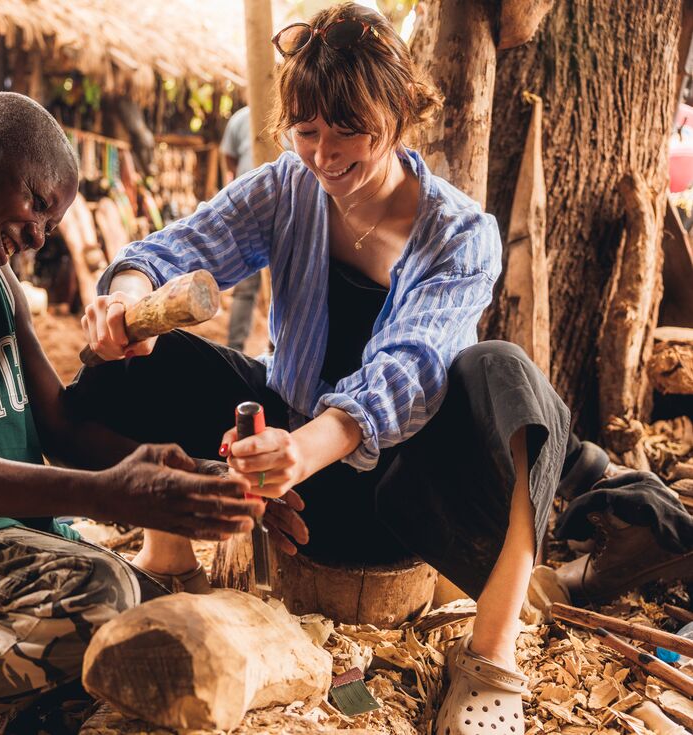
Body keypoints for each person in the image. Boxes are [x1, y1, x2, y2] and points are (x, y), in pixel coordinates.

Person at [67, 5, 605, 732]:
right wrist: (128, 298)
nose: (324, 154)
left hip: (398, 494)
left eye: (350, 128)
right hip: (293, 481)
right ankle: (170, 561)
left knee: (507, 375)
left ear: (400, 111)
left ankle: (491, 655)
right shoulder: (286, 187)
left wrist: (298, 453)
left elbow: (407, 368)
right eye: (306, 129)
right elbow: (177, 247)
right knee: (141, 358)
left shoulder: (461, 234)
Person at [0, 92, 262, 735]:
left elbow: (60, 426)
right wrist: (103, 493)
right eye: (38, 204)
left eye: (53, 220)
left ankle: (3, 704)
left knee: (164, 623)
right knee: (102, 594)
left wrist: (203, 476)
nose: (41, 236)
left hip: (12, 547)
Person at [219, 106, 264, 353]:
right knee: (247, 288)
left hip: (252, 208)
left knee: (248, 288)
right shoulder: (241, 118)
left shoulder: (239, 118)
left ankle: (238, 348)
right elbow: (229, 157)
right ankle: (235, 349)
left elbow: (229, 158)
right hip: (250, 209)